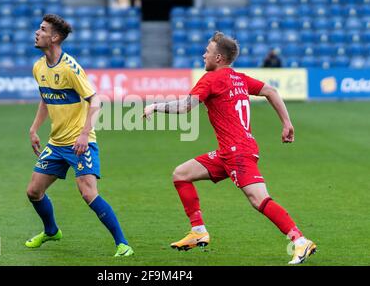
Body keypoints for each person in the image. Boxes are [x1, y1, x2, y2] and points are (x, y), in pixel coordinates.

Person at [143, 31, 316, 265]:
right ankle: (198, 232)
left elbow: (185, 107)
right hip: (229, 151)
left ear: (218, 58)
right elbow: (271, 91)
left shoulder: (211, 79)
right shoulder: (239, 78)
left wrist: (156, 106)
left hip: (238, 153)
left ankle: (300, 241)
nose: (203, 54)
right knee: (181, 174)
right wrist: (287, 123)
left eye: (208, 51)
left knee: (259, 200)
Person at [25, 14, 134, 257]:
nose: (37, 32)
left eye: (42, 29)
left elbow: (96, 99)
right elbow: (46, 98)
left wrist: (85, 134)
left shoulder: (70, 68)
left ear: (54, 37)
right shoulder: (39, 67)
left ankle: (123, 244)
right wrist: (34, 129)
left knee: (87, 193)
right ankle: (52, 231)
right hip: (56, 143)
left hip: (79, 143)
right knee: (33, 191)